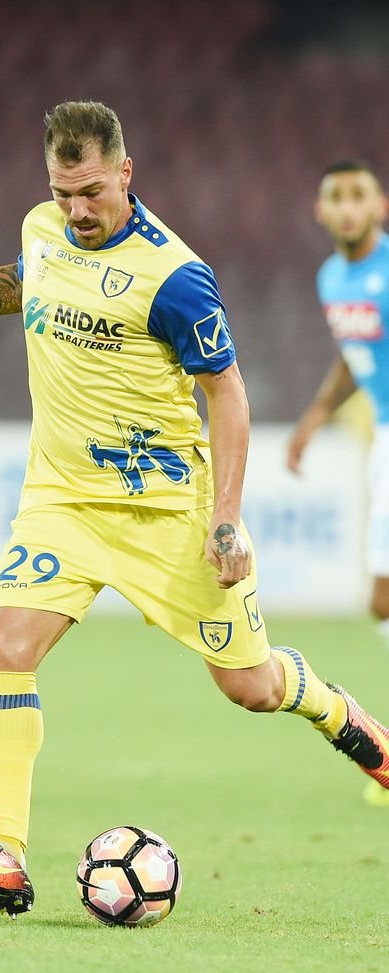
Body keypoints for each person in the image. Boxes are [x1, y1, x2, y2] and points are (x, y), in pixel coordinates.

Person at [0, 104, 389, 918]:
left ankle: (350, 723)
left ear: (125, 173)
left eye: (92, 191)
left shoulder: (175, 276)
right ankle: (7, 855)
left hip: (165, 513)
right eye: (62, 192)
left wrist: (226, 517)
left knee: (250, 684)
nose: (76, 210)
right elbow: (24, 282)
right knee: (4, 646)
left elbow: (227, 393)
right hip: (62, 501)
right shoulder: (44, 230)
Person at [286, 160, 389, 808]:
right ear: (320, 211)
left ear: (380, 205)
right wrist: (317, 413)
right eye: (336, 197)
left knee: (382, 599)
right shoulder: (333, 278)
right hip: (384, 434)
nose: (348, 206)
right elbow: (358, 356)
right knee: (381, 602)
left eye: (359, 195)